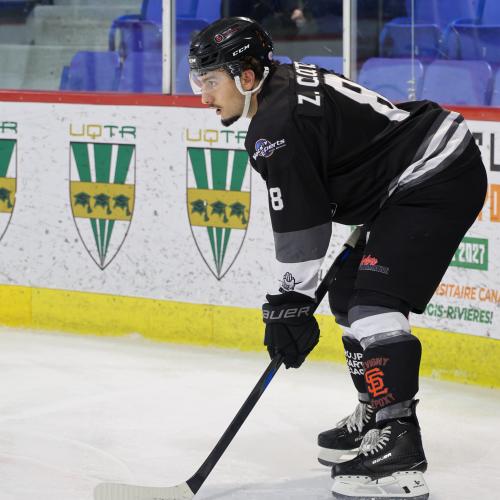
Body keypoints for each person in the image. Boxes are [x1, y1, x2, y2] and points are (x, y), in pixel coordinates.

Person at [188, 16, 487, 499]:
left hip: (435, 170)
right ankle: (375, 415)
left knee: (374, 305)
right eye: (197, 82)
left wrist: (289, 304)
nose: (203, 97)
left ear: (246, 77)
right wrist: (293, 304)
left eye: (210, 82)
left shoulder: (275, 126)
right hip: (408, 173)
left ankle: (400, 448)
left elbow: (302, 230)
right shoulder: (281, 88)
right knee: (347, 294)